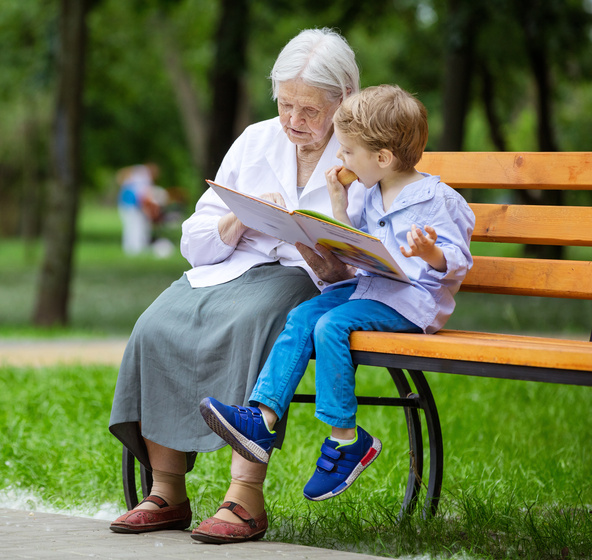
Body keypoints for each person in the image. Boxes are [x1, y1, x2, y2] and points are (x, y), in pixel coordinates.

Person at [108, 28, 365, 544]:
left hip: (304, 279)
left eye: (309, 111)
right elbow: (195, 239)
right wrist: (240, 221)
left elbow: (369, 265)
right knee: (156, 324)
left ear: (346, 99)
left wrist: (313, 244)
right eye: (286, 104)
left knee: (255, 322)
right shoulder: (255, 139)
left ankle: (244, 496)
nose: (293, 121)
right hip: (230, 267)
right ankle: (167, 490)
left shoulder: (364, 153)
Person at [200, 85, 475, 504]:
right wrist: (337, 204)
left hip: (411, 302)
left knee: (331, 326)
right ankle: (262, 416)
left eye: (346, 152)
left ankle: (347, 440)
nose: (340, 159)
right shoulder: (370, 189)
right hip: (369, 289)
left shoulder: (437, 200)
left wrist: (431, 252)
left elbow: (458, 260)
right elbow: (356, 242)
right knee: (304, 316)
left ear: (382, 158)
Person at [116, 163, 167, 255]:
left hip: (130, 204)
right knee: (133, 227)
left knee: (135, 227)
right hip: (130, 205)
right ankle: (134, 249)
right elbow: (142, 194)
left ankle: (134, 248)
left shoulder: (141, 174)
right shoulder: (143, 174)